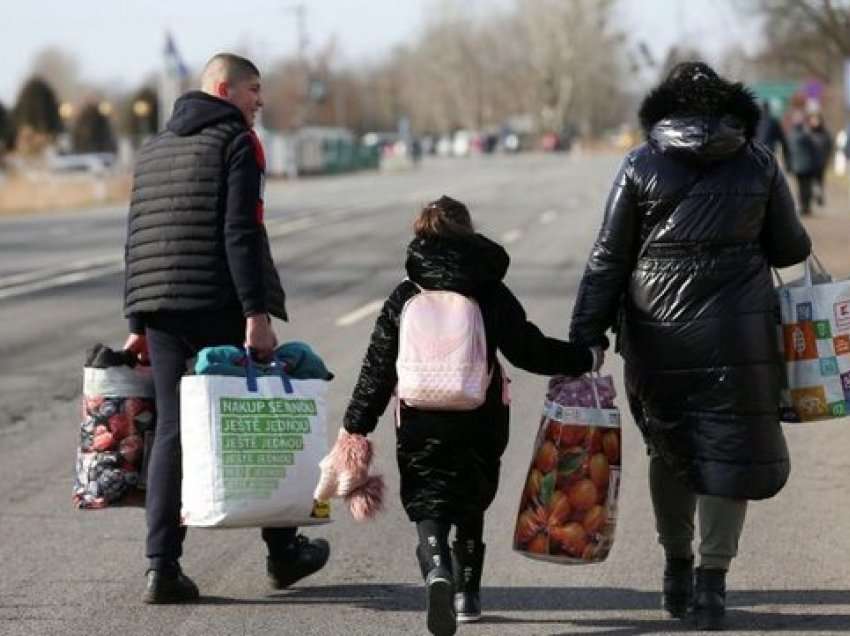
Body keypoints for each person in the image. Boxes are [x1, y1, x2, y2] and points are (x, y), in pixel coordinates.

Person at [569, 62, 811, 631]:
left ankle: (675, 568)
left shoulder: (640, 164)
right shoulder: (757, 161)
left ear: (665, 109)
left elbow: (608, 258)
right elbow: (789, 248)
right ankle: (711, 585)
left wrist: (586, 336)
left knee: (670, 447)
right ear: (730, 107)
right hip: (740, 334)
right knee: (729, 448)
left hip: (658, 336)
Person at [336, 196, 600, 636]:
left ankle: (437, 567)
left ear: (421, 236)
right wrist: (584, 358)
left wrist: (356, 426)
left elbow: (377, 367)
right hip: (480, 413)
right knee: (471, 494)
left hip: (419, 414)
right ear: (467, 234)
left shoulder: (405, 294)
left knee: (427, 495)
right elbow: (526, 348)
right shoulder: (487, 290)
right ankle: (467, 594)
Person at [122, 53, 329, 604]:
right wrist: (256, 315)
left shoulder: (154, 148)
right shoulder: (238, 142)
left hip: (160, 307)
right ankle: (283, 553)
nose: (259, 101)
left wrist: (138, 321)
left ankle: (161, 567)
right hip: (216, 300)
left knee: (170, 430)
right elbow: (241, 232)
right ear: (222, 88)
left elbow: (138, 234)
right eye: (253, 89)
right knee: (258, 413)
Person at [787, 110, 819, 216]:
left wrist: (789, 165)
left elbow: (788, 152)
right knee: (807, 187)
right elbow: (813, 149)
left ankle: (802, 206)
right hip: (807, 165)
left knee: (800, 187)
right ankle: (806, 207)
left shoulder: (790, 135)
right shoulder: (805, 135)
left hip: (797, 166)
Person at [807, 113, 832, 206]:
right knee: (811, 180)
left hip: (821, 161)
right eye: (813, 120)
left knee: (820, 180)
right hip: (811, 161)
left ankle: (819, 195)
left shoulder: (825, 133)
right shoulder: (808, 133)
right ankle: (814, 195)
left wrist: (827, 157)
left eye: (816, 120)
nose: (814, 122)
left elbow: (829, 146)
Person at [754, 100, 788, 165]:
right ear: (768, 109)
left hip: (756, 152)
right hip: (769, 151)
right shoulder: (773, 121)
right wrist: (786, 155)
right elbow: (782, 138)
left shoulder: (755, 122)